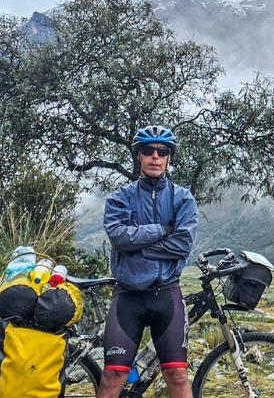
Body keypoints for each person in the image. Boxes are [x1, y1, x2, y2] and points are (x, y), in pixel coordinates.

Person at [98, 125, 199, 398]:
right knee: (112, 375)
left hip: (167, 293)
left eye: (162, 151)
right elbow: (119, 238)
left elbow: (183, 244)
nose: (155, 156)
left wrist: (139, 248)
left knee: (177, 375)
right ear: (139, 157)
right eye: (148, 151)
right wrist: (160, 230)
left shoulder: (183, 198)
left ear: (169, 158)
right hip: (128, 296)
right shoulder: (120, 198)